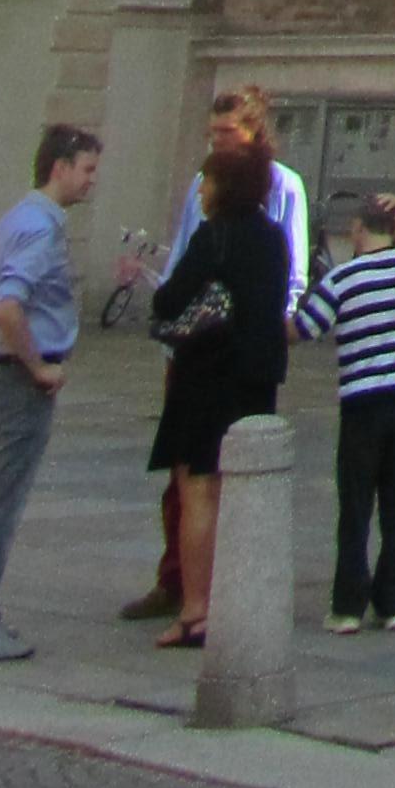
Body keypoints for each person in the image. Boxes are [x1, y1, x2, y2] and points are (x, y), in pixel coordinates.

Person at [125, 88, 309, 623]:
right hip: (222, 354)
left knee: (207, 479)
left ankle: (202, 603)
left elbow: (288, 277)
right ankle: (178, 580)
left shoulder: (282, 191)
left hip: (223, 359)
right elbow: (185, 251)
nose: (218, 143)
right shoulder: (204, 196)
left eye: (227, 135)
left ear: (253, 133)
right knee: (192, 487)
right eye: (213, 135)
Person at [0, 124, 99, 662]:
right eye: (87, 169)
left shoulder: (17, 216)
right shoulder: (41, 228)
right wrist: (38, 364)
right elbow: (7, 303)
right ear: (61, 167)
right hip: (16, 375)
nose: (91, 180)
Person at [292, 187, 395, 631]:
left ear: (355, 228)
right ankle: (394, 603)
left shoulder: (340, 281)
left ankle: (348, 606)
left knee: (355, 504)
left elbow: (302, 329)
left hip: (363, 400)